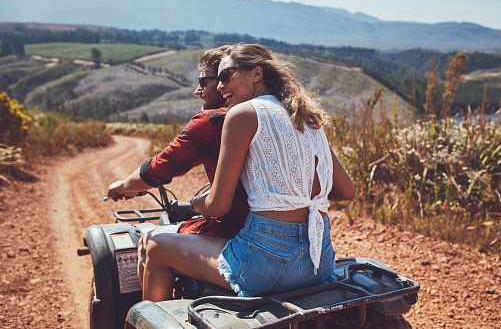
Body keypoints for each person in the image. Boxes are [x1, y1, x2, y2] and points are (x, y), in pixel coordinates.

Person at [133, 43, 355, 302]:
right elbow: (346, 191)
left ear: (256, 74)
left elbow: (217, 205)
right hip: (319, 264)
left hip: (267, 267)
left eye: (225, 75)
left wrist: (193, 205)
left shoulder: (242, 114)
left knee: (156, 246)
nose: (219, 86)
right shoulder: (306, 117)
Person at [106, 45, 249, 285]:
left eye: (204, 82)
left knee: (149, 241)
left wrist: (124, 185)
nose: (197, 90)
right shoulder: (278, 113)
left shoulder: (212, 121)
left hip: (233, 231)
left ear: (228, 79)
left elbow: (161, 167)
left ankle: (148, 316)